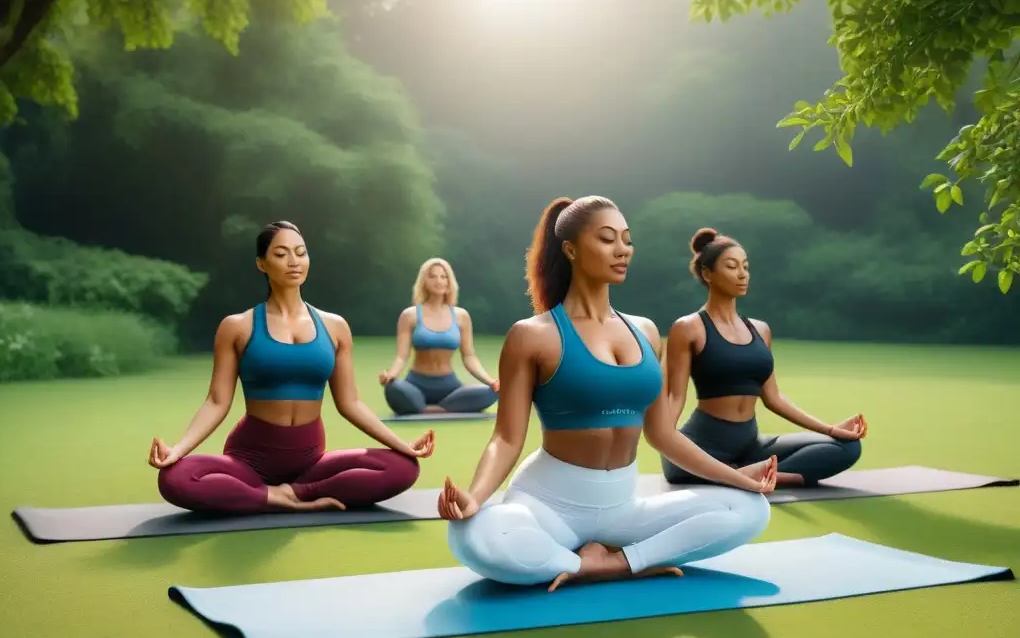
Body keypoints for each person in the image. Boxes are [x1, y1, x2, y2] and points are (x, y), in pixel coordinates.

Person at [437, 196, 776, 592]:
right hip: (549, 505)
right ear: (571, 249)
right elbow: (507, 437)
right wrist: (476, 498)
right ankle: (585, 562)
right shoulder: (532, 335)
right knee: (473, 535)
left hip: (623, 510)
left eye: (627, 240)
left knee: (751, 508)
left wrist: (735, 477)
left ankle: (617, 562)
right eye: (607, 239)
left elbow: (663, 435)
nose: (622, 250)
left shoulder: (646, 332)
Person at [148, 221, 435, 514]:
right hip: (249, 461)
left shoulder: (335, 327)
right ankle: (269, 495)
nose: (294, 261)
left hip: (310, 463)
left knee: (403, 468)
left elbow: (350, 403)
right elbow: (217, 401)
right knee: (175, 478)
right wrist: (179, 450)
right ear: (261, 263)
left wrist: (402, 445)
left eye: (301, 252)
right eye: (281, 253)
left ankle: (295, 493)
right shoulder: (237, 327)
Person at [659, 228, 866, 489]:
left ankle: (759, 475)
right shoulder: (688, 328)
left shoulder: (761, 330)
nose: (742, 273)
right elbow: (675, 397)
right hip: (705, 444)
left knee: (847, 448)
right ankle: (743, 474)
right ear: (707, 274)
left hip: (751, 443)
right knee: (680, 466)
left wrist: (832, 430)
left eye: (745, 266)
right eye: (731, 266)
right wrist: (668, 440)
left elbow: (774, 399)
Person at [379, 257, 500, 415]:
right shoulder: (410, 315)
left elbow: (469, 357)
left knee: (491, 392)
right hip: (416, 384)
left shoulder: (461, 316)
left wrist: (490, 381)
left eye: (444, 277)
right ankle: (444, 408)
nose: (439, 281)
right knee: (393, 389)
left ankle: (424, 409)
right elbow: (402, 356)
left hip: (449, 386)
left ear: (450, 282)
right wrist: (391, 375)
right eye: (433, 276)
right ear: (424, 281)